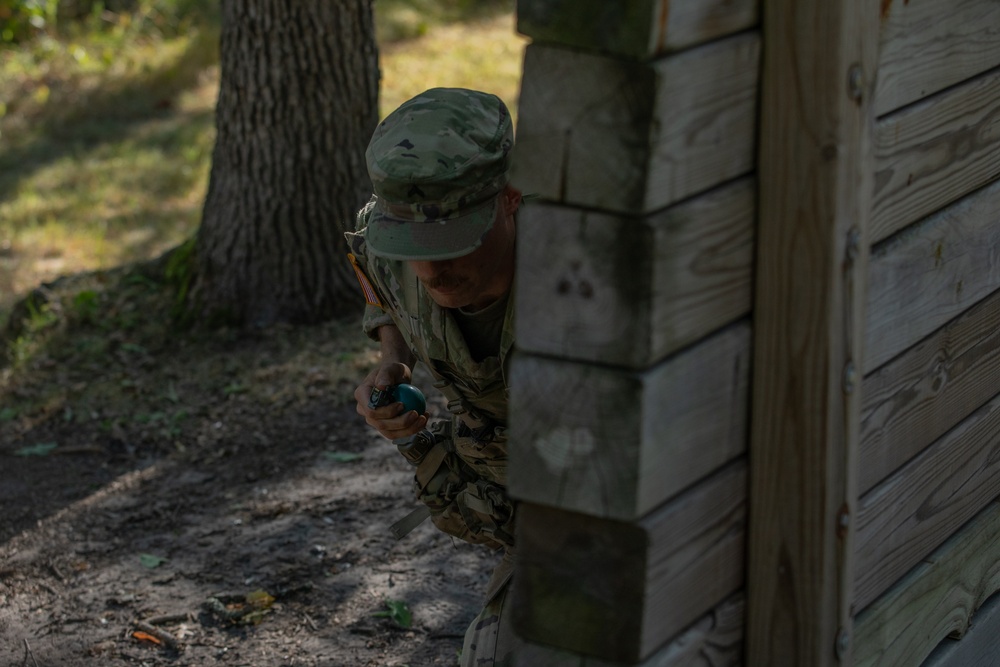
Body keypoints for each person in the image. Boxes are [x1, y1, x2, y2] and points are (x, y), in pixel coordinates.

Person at [345, 87, 522, 666]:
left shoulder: (580, 278)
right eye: (410, 243)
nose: (429, 269)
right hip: (517, 509)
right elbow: (371, 267)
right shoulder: (387, 245)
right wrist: (393, 355)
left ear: (510, 201)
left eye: (448, 242)